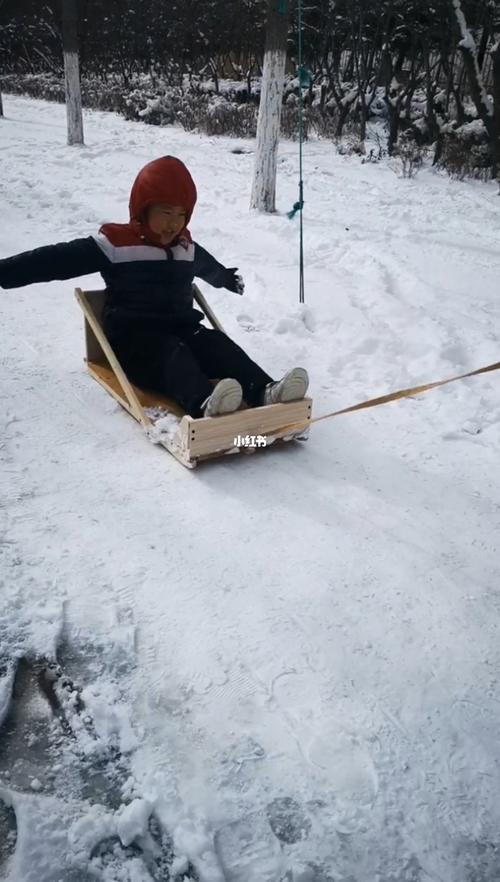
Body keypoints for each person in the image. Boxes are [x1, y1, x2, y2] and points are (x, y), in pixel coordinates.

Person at [0, 155, 309, 417]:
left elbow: (206, 267)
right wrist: (6, 273)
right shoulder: (115, 244)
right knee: (171, 354)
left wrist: (225, 278)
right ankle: (204, 403)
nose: (173, 224)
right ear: (143, 208)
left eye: (181, 215)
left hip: (182, 330)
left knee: (216, 344)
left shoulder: (185, 247)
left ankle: (265, 390)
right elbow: (55, 260)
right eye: (166, 213)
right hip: (136, 341)